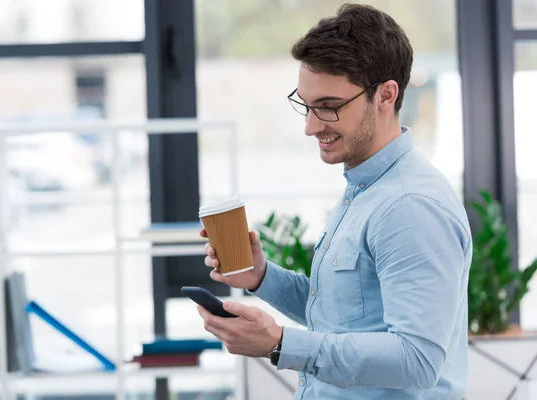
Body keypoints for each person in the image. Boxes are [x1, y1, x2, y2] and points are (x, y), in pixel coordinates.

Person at [196, 3, 471, 399]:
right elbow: (343, 316)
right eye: (306, 106)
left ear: (386, 95)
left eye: (328, 107)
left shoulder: (410, 206)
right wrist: (260, 276)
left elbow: (417, 360)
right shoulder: (365, 188)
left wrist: (278, 343)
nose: (310, 126)